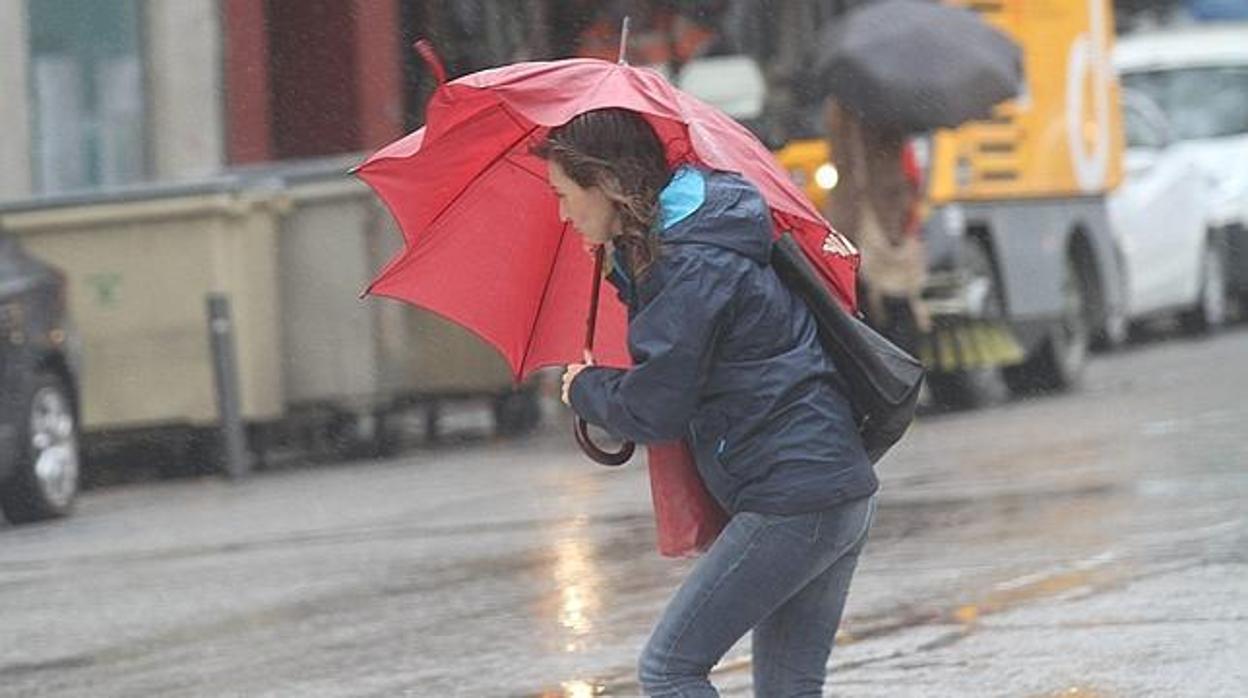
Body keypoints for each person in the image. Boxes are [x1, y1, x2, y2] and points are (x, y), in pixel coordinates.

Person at [536, 108, 878, 697]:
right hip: (830, 492)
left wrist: (585, 389)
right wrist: (627, 270)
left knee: (669, 670)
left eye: (566, 195)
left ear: (608, 185)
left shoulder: (691, 262)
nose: (563, 215)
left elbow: (657, 407)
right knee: (788, 687)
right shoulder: (692, 247)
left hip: (792, 498)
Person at [823, 98, 931, 355]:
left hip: (853, 226)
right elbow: (909, 177)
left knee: (867, 313)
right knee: (895, 306)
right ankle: (900, 373)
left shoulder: (839, 110)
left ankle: (884, 374)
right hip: (881, 226)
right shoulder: (886, 110)